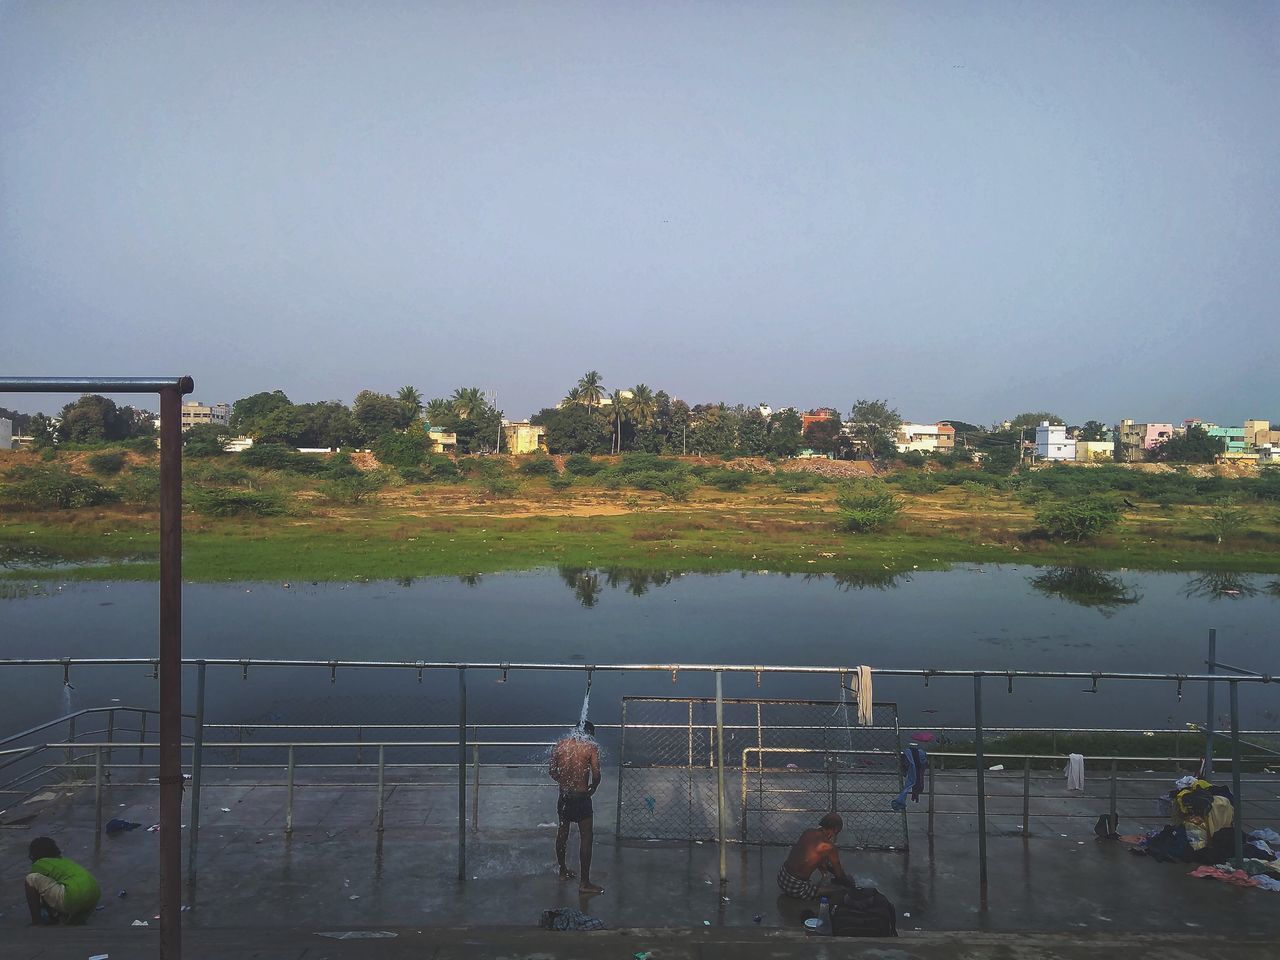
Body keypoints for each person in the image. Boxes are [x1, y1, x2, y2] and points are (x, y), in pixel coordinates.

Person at [549, 720, 603, 894]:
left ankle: (563, 871)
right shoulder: (590, 748)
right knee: (586, 837)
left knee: (562, 832)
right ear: (589, 734)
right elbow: (596, 774)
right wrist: (592, 788)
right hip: (581, 797)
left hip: (564, 796)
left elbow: (552, 771)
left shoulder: (560, 745)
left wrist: (564, 782)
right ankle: (584, 883)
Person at [24, 836, 100, 926]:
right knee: (64, 886)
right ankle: (72, 918)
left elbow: (38, 889)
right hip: (95, 894)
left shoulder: (39, 864)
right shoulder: (65, 861)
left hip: (73, 897)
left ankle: (37, 922)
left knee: (31, 879)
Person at [777, 812, 852, 900]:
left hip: (781, 876)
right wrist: (847, 881)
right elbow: (839, 875)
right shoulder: (829, 847)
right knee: (839, 890)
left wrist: (824, 869)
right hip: (795, 888)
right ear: (835, 830)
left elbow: (810, 856)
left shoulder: (808, 832)